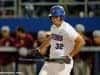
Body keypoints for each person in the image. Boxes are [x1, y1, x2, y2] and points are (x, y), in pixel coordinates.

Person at [38, 5, 85, 75]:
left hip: (63, 63)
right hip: (51, 60)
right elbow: (51, 38)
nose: (54, 19)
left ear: (62, 17)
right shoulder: (53, 27)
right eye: (52, 17)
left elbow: (81, 42)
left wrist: (70, 56)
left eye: (56, 16)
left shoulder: (67, 29)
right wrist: (40, 48)